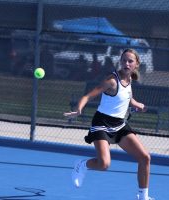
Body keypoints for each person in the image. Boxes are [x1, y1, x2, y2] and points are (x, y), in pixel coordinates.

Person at [64, 48, 154, 200]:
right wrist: (79, 109)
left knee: (145, 158)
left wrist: (138, 104)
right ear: (120, 62)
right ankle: (82, 165)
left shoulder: (130, 79)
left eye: (130, 61)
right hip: (102, 124)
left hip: (119, 125)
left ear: (136, 64)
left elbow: (128, 98)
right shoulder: (112, 80)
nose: (126, 63)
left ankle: (143, 196)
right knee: (104, 164)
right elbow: (88, 95)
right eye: (124, 60)